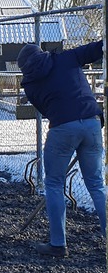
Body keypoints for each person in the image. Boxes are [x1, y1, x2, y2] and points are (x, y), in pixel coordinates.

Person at [17, 41, 106, 258]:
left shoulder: (29, 84)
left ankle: (58, 244)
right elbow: (99, 48)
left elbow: (46, 110)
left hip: (62, 128)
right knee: (96, 184)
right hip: (92, 122)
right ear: (43, 53)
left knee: (54, 184)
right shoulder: (67, 57)